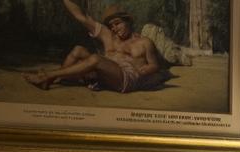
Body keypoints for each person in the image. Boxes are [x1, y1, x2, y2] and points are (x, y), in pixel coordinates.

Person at [24, 2, 162, 94]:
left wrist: (146, 70)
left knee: (96, 58)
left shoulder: (144, 42)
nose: (114, 29)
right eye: (111, 26)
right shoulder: (109, 36)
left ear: (128, 21)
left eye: (118, 23)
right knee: (78, 49)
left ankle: (48, 75)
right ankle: (48, 81)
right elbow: (81, 16)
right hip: (105, 74)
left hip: (126, 79)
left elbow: (154, 65)